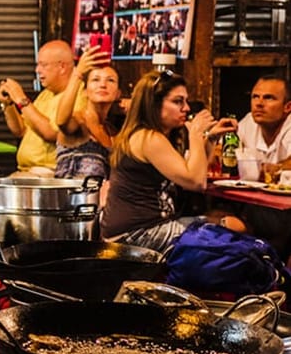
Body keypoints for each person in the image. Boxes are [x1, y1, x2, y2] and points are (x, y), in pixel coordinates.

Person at [99, 70, 240, 252]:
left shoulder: (148, 135)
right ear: (154, 105)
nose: (186, 108)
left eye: (185, 101)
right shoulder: (149, 138)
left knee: (226, 221)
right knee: (232, 227)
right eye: (177, 101)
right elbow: (196, 182)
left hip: (137, 230)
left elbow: (190, 172)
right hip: (135, 236)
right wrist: (196, 134)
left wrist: (211, 138)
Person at [0, 40, 77, 175]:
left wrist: (21, 99)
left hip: (49, 173)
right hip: (26, 171)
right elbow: (21, 131)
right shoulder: (46, 94)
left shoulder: (75, 94)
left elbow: (51, 134)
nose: (37, 70)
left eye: (43, 65)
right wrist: (8, 104)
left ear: (62, 67)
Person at [53, 45, 119, 180]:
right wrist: (78, 73)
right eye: (95, 80)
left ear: (118, 93)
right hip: (71, 199)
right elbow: (61, 121)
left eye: (110, 80)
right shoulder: (78, 122)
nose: (103, 85)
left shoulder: (112, 132)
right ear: (85, 91)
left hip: (102, 199)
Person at [237, 75, 291, 175]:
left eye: (269, 98)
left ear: (287, 107)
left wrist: (278, 167)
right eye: (255, 97)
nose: (259, 103)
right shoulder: (249, 122)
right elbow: (223, 151)